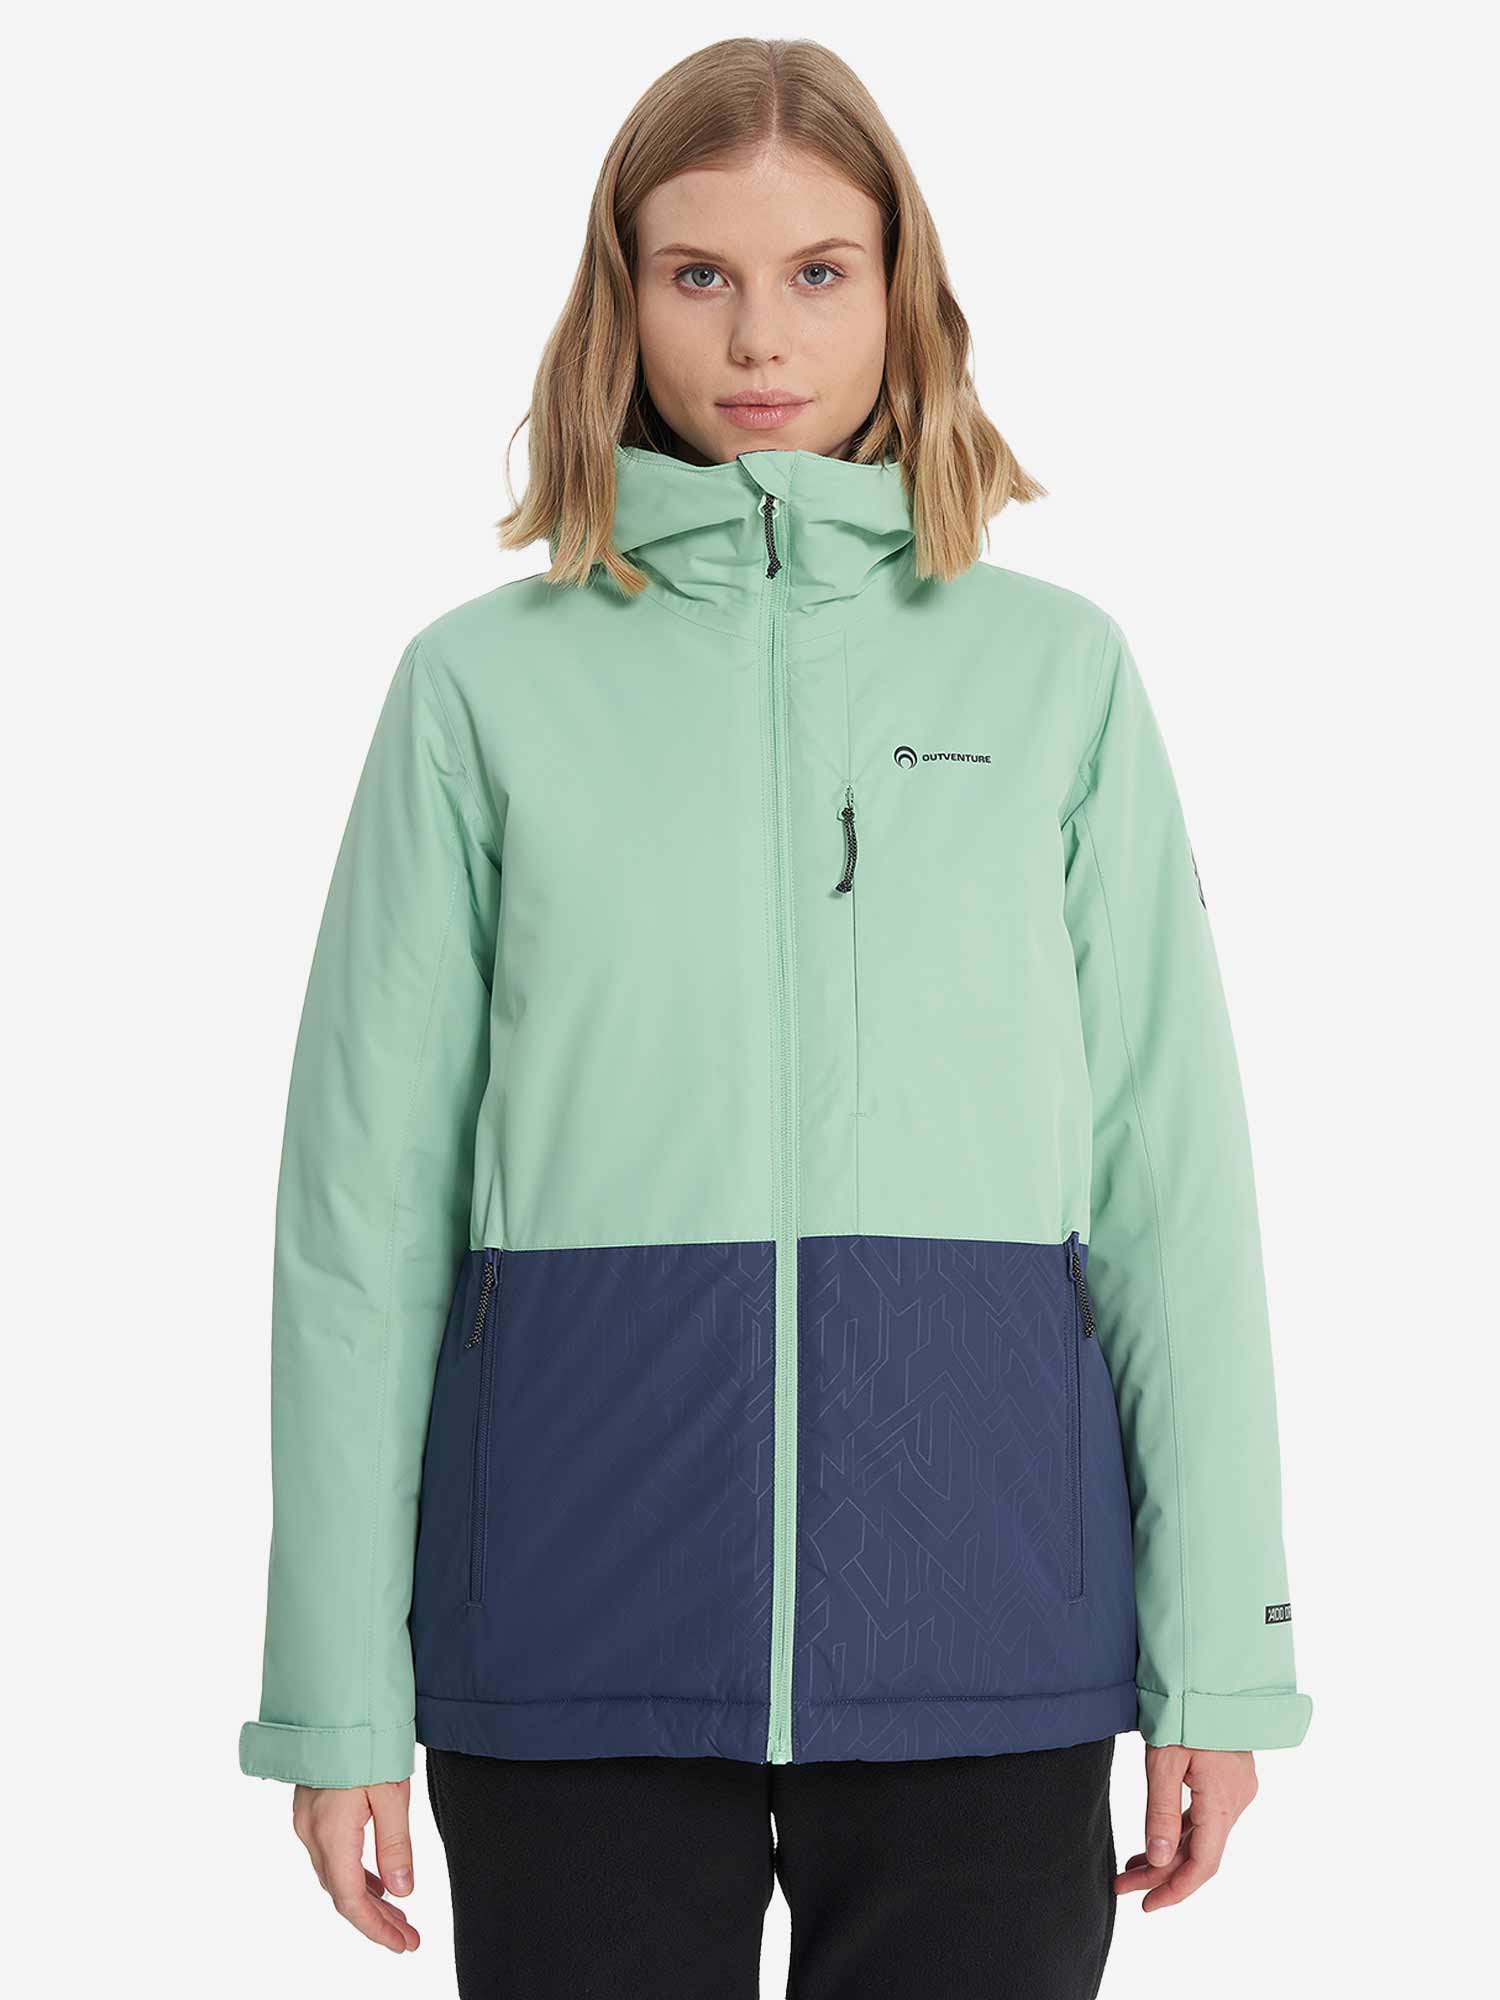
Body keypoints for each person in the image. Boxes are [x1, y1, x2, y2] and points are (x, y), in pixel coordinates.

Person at [238, 35, 1312, 1999]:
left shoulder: (1056, 672)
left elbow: (1173, 1184)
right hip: (568, 1628)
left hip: (989, 1620)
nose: (757, 334)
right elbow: (360, 1221)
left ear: (903, 290)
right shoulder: (479, 691)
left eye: (819, 270)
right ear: (621, 295)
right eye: (698, 272)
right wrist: (333, 1695)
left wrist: (1219, 1662)